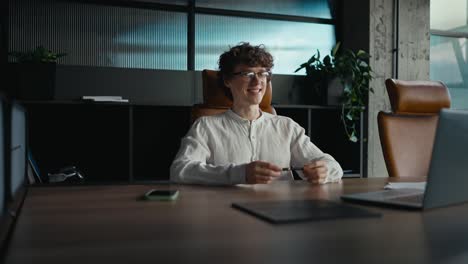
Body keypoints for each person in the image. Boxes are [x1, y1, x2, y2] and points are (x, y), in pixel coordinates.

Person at [170, 42, 343, 185]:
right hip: (227, 215)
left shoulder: (287, 126)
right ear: (227, 80)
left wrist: (325, 171)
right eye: (248, 73)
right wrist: (240, 174)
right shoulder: (206, 126)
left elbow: (333, 166)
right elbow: (180, 169)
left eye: (263, 73)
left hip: (281, 212)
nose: (257, 80)